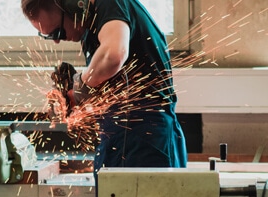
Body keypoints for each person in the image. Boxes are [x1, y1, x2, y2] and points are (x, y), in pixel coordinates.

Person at [21, 0, 187, 175]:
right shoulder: (90, 30)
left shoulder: (110, 4)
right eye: (49, 36)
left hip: (146, 139)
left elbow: (114, 56)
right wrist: (70, 100)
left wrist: (79, 86)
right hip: (116, 137)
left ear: (72, 5)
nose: (56, 41)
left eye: (58, 32)